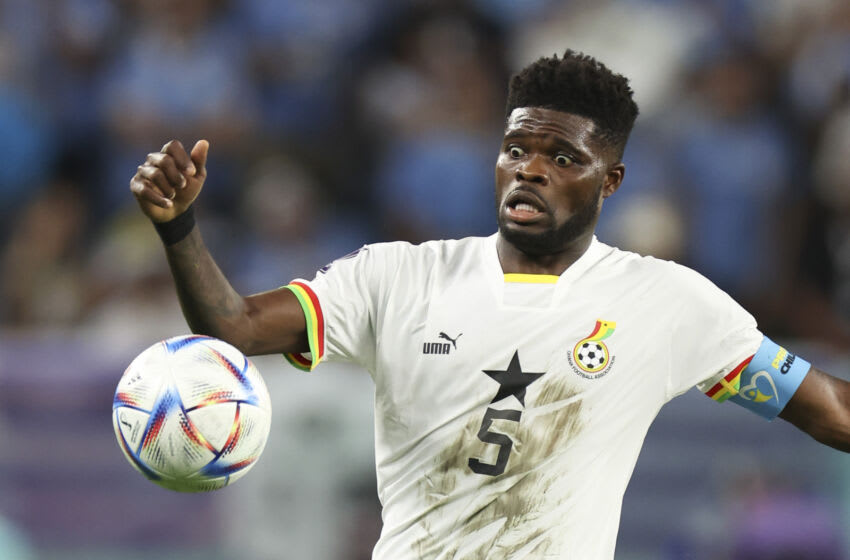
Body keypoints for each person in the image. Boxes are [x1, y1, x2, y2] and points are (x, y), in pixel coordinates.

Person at [129, 50, 850, 559]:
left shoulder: (668, 302)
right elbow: (233, 326)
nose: (530, 169)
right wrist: (179, 226)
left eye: (563, 158)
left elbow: (831, 411)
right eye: (515, 149)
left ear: (611, 181)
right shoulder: (396, 277)